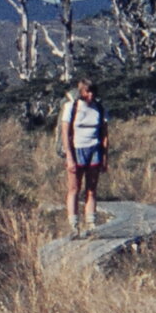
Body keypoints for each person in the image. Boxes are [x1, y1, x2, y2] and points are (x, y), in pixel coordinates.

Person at [59, 78, 108, 233]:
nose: (90, 95)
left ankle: (91, 223)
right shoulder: (71, 107)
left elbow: (104, 134)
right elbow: (65, 133)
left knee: (91, 189)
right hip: (76, 150)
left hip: (94, 150)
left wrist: (105, 157)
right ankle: (74, 225)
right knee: (74, 188)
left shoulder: (99, 108)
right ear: (81, 92)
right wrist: (69, 157)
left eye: (92, 91)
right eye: (87, 92)